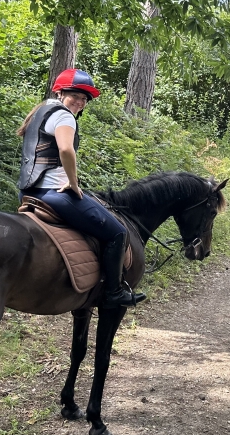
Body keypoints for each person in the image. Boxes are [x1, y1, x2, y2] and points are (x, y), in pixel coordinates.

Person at [17, 68, 145, 307]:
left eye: (84, 99)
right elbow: (66, 150)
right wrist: (73, 183)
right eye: (75, 95)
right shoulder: (64, 116)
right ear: (61, 92)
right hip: (54, 193)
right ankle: (114, 292)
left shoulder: (40, 111)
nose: (80, 101)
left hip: (27, 191)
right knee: (118, 232)